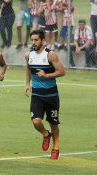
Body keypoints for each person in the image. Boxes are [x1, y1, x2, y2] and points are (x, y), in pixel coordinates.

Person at [25, 29, 65, 160]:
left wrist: (47, 75)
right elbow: (28, 69)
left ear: (43, 41)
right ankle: (45, 134)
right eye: (32, 40)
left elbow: (61, 71)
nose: (33, 42)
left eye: (36, 40)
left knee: (53, 123)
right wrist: (27, 84)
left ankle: (56, 148)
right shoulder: (28, 55)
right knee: (36, 121)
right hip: (37, 95)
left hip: (51, 95)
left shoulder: (50, 55)